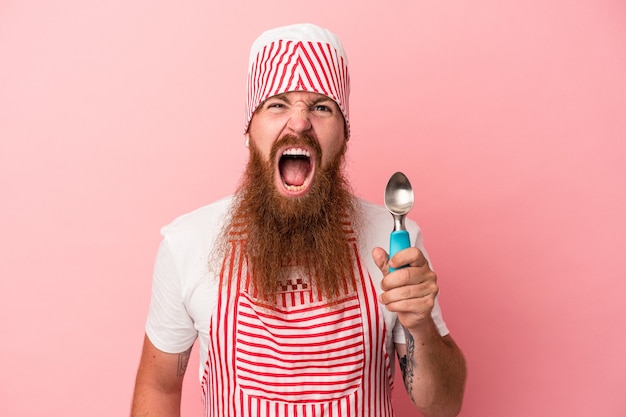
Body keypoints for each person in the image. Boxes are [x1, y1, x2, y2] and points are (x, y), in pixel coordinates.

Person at [131, 23, 466, 417]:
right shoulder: (187, 243)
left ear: (344, 136)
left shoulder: (395, 241)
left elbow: (444, 406)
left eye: (321, 107)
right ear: (248, 130)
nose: (300, 122)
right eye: (277, 104)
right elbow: (159, 386)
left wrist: (421, 325)